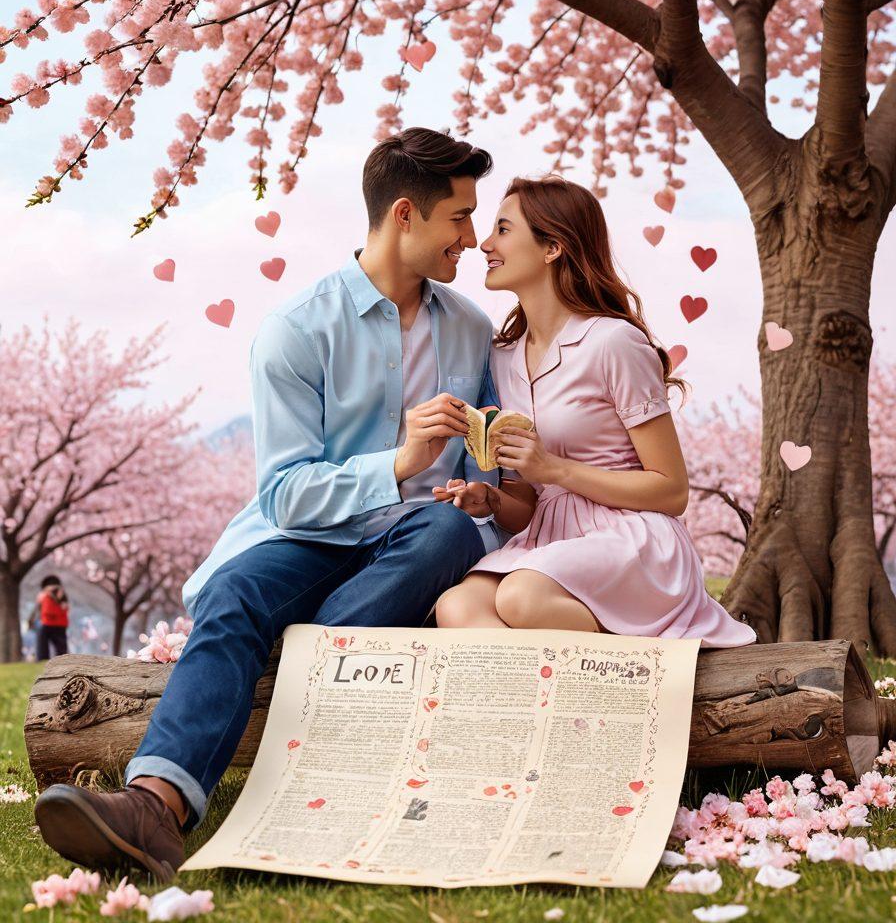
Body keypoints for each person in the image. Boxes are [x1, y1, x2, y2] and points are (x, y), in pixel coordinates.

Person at [34, 127, 501, 881]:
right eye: (459, 218)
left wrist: (481, 485)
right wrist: (399, 462)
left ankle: (284, 773)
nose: (472, 239)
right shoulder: (297, 329)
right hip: (311, 537)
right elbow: (285, 493)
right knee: (236, 592)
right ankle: (154, 808)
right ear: (407, 215)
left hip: (417, 543)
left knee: (447, 528)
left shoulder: (474, 330)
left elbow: (491, 468)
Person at [434, 175, 757, 648]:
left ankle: (631, 670)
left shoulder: (614, 342)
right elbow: (527, 501)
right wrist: (493, 501)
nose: (485, 243)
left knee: (522, 599)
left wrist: (555, 467)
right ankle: (541, 708)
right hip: (546, 541)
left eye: (503, 230)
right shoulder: (501, 357)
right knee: (457, 607)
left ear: (553, 248)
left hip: (632, 539)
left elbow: (672, 490)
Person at [29, 575, 70, 660]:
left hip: (56, 624)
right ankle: (43, 660)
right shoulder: (45, 596)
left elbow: (63, 609)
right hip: (49, 623)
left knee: (61, 648)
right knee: (45, 647)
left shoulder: (60, 596)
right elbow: (47, 611)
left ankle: (61, 661)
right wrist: (60, 609)